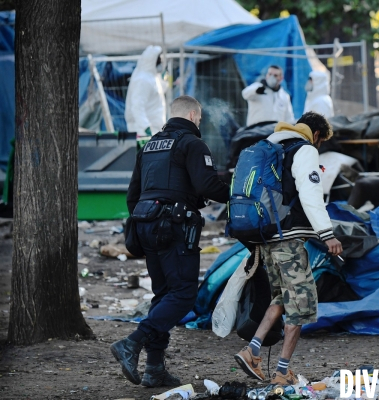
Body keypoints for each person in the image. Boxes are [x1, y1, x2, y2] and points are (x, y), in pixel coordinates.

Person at [111, 95, 230, 388]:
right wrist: (237, 193)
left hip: (145, 225)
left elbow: (132, 193)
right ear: (192, 114)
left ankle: (154, 369)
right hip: (175, 227)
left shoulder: (150, 145)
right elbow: (207, 185)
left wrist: (145, 221)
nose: (199, 123)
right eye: (199, 119)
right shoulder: (192, 144)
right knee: (183, 294)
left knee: (163, 295)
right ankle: (132, 342)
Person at [233, 111, 343, 385]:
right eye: (320, 142)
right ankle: (282, 372)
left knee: (281, 299)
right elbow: (310, 193)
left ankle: (252, 351)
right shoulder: (303, 149)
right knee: (300, 304)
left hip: (267, 238)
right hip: (288, 240)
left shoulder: (273, 146)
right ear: (316, 135)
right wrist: (327, 234)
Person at [125, 45, 167, 136]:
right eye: (159, 61)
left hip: (154, 129)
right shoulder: (142, 80)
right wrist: (145, 127)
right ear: (152, 61)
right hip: (143, 131)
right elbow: (137, 106)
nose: (161, 63)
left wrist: (164, 80)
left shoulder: (152, 76)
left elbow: (156, 95)